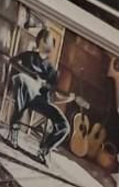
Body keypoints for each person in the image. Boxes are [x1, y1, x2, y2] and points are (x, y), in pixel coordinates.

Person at [6, 28, 71, 162]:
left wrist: (68, 98)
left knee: (65, 126)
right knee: (22, 79)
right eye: (47, 40)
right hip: (24, 93)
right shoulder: (28, 56)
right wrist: (30, 75)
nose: (50, 44)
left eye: (51, 42)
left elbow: (54, 95)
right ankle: (14, 128)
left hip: (41, 101)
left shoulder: (52, 70)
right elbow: (12, 61)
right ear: (40, 41)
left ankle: (44, 149)